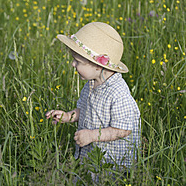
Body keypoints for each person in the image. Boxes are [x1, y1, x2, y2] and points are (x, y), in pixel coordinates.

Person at [46, 22, 141, 171]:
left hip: (112, 163)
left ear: (98, 65)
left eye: (78, 61)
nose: (73, 64)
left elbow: (123, 130)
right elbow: (83, 110)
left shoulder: (118, 93)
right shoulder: (90, 85)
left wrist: (92, 135)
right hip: (91, 158)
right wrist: (67, 116)